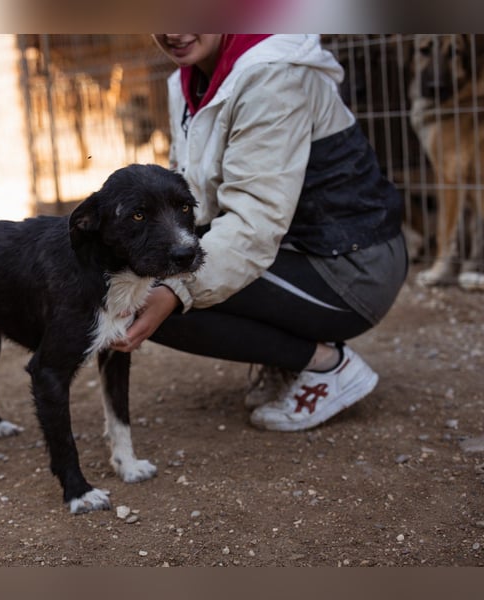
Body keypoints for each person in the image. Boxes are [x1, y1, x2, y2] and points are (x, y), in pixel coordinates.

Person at [112, 34, 408, 431]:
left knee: (151, 293)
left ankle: (326, 365)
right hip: (298, 251)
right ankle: (288, 358)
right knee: (129, 279)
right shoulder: (186, 81)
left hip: (353, 270)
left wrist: (176, 289)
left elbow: (255, 221)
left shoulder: (273, 74)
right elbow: (192, 196)